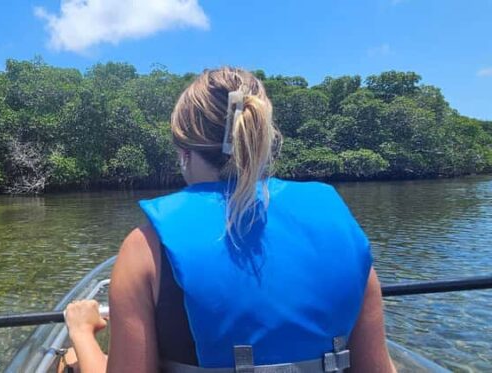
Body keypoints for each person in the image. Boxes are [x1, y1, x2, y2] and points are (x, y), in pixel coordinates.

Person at [60, 67, 396, 373]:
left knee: (74, 361)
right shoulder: (342, 230)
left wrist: (82, 332)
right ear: (259, 135)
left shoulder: (144, 249)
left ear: (184, 154)